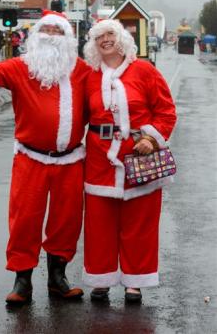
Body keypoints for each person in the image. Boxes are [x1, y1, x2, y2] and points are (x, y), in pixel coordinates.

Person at [0, 10, 90, 305]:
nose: (51, 36)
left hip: (70, 161)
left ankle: (58, 278)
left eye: (57, 31)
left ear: (68, 38)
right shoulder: (22, 67)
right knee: (24, 219)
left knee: (66, 221)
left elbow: (102, 102)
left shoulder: (82, 70)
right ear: (36, 36)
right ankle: (22, 281)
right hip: (30, 158)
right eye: (46, 30)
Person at [82, 19, 177, 303]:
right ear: (93, 44)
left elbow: (166, 111)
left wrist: (151, 139)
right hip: (99, 159)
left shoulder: (144, 70)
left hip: (140, 155)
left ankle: (134, 281)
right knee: (99, 223)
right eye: (99, 37)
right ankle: (102, 278)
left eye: (110, 34)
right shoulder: (88, 75)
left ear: (121, 38)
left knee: (140, 223)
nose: (105, 40)